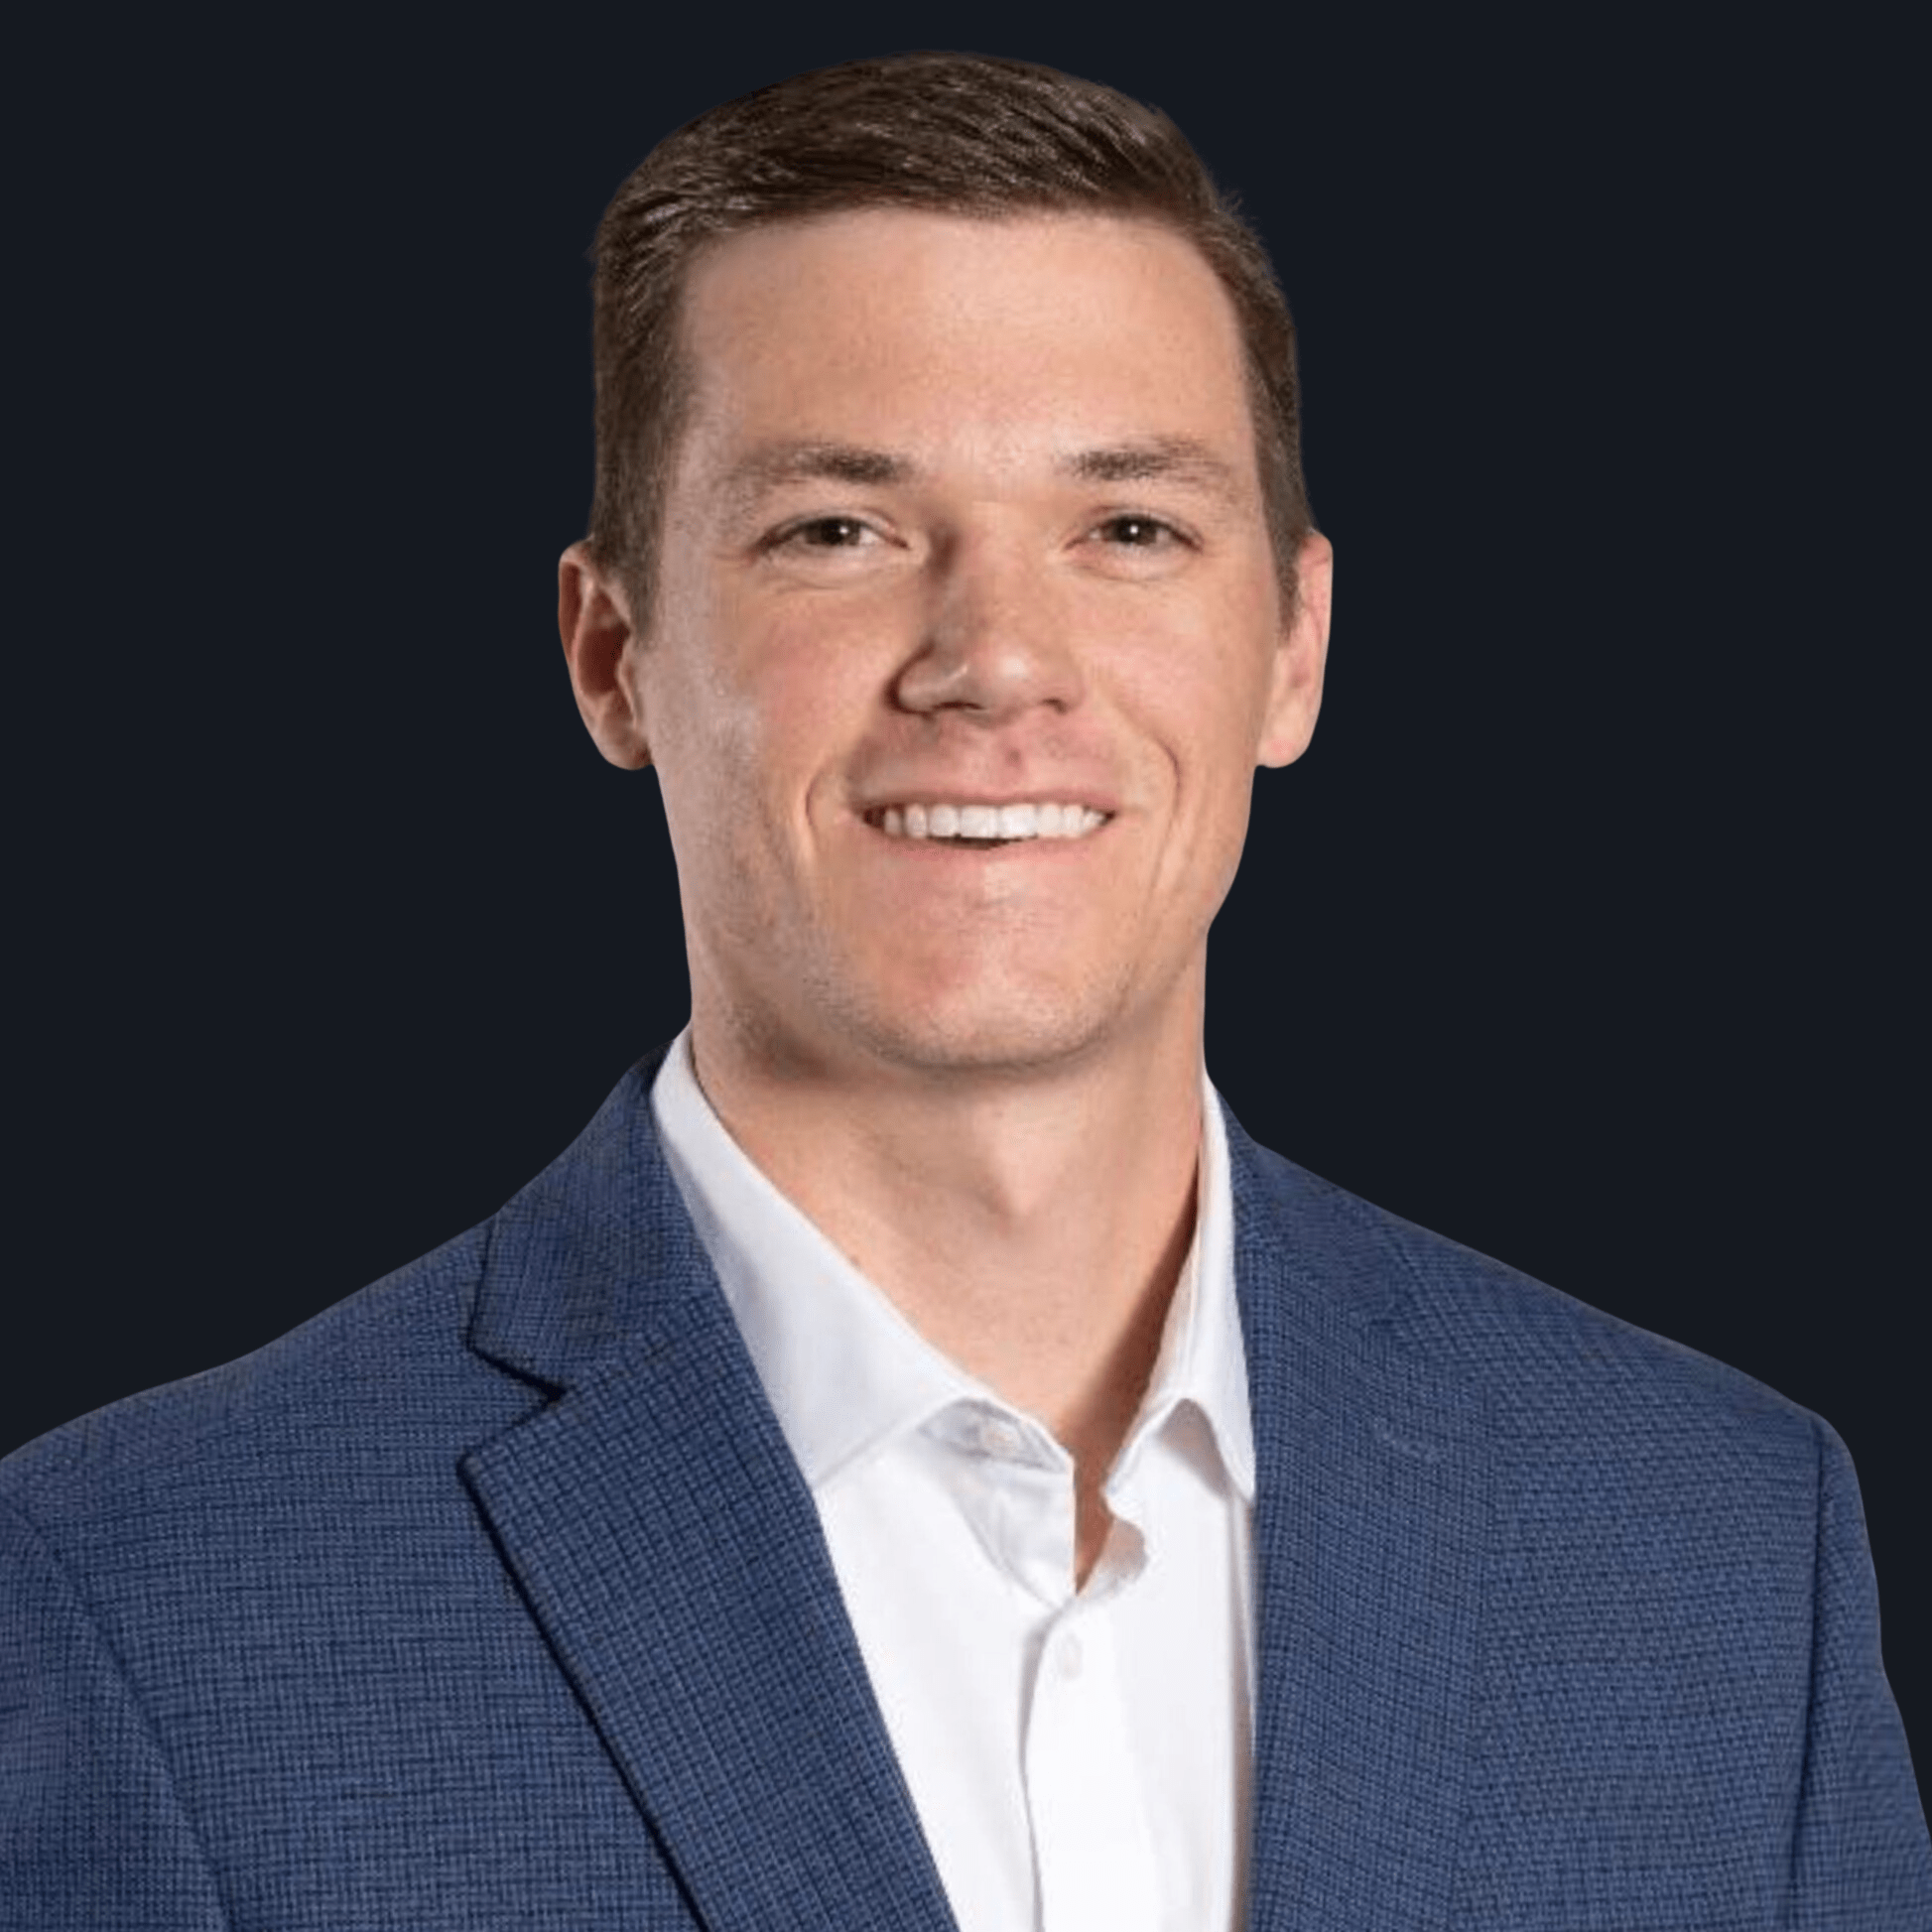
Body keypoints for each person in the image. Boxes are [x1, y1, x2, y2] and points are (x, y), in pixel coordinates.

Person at [2, 51, 1923, 1931]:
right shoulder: (138, 1597)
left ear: (1293, 647)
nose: (998, 661)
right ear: (612, 654)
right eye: (836, 530)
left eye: (1130, 529)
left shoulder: (1725, 1549)